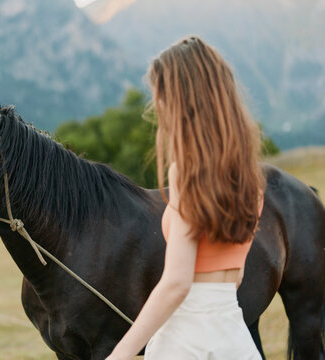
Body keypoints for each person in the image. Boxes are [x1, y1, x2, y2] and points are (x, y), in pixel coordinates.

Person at [106, 35, 266, 360]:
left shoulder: (186, 173)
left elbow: (177, 283)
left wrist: (118, 354)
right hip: (233, 337)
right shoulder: (250, 177)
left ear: (180, 99)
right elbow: (235, 277)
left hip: (186, 341)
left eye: (160, 96)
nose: (156, 106)